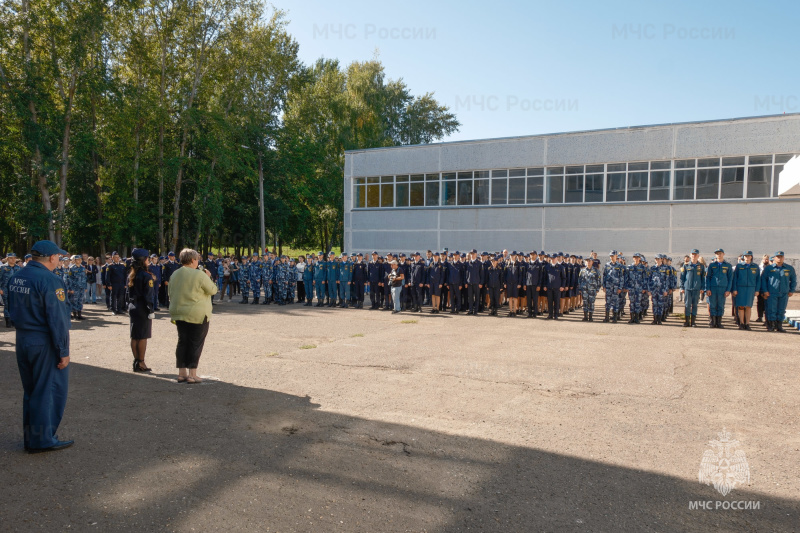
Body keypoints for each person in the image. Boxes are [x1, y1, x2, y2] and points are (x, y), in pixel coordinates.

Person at [7, 240, 73, 453]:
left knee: (32, 390)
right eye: (59, 257)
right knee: (48, 390)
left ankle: (32, 438)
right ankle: (42, 440)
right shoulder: (50, 280)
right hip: (43, 341)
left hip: (23, 339)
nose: (59, 260)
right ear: (52, 257)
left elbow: (9, 308)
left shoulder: (16, 276)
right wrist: (63, 351)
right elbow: (58, 319)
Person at [169, 248, 217, 383]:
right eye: (197, 259)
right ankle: (192, 374)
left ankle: (181, 373)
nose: (198, 261)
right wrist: (208, 277)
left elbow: (170, 291)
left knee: (182, 341)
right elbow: (213, 290)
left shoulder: (175, 274)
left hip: (179, 312)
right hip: (197, 313)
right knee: (195, 343)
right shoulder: (200, 275)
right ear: (192, 260)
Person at [128, 248, 155, 372]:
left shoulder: (132, 274)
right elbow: (148, 296)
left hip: (133, 306)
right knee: (142, 337)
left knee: (135, 336)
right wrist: (151, 310)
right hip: (142, 308)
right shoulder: (145, 275)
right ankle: (141, 362)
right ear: (144, 260)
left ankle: (136, 361)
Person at [760, 251, 796, 332]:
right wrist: (765, 291)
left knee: (781, 310)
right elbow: (763, 280)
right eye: (778, 257)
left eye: (781, 257)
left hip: (784, 293)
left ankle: (779, 326)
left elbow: (793, 280)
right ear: (774, 258)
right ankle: (771, 326)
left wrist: (792, 290)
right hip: (772, 293)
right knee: (771, 310)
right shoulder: (769, 268)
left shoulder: (789, 268)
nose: (779, 258)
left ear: (784, 258)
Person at [704, 249, 734, 328]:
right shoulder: (712, 265)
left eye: (720, 253)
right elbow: (708, 278)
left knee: (721, 305)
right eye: (717, 254)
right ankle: (712, 322)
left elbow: (730, 279)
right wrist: (708, 289)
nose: (719, 255)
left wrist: (728, 290)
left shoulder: (728, 265)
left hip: (723, 288)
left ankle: (719, 322)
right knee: (712, 304)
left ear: (723, 254)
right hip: (713, 288)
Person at [732, 251, 760, 330]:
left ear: (751, 257)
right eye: (746, 256)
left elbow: (758, 279)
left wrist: (757, 290)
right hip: (740, 288)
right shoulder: (739, 266)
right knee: (740, 306)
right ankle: (741, 323)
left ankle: (747, 323)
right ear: (743, 257)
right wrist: (734, 289)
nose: (747, 257)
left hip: (751, 288)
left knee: (748, 306)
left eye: (749, 256)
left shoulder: (755, 266)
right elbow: (735, 278)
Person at [680, 249, 706, 327]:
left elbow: (703, 278)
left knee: (695, 305)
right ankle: (686, 321)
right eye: (692, 254)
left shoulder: (701, 266)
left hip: (696, 288)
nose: (694, 256)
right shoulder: (686, 265)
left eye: (695, 254)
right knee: (687, 304)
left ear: (698, 256)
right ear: (690, 255)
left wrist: (702, 288)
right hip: (687, 288)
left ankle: (693, 322)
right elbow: (682, 278)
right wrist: (682, 287)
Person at [1, 252, 23, 327]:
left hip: (16, 289)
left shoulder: (18, 268)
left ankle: (14, 319)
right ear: (7, 259)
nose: (13, 259)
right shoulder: (3, 268)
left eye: (14, 258)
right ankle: (8, 320)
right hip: (5, 289)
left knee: (15, 304)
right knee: (7, 304)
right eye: (11, 258)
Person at [66, 255, 87, 320]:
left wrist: (85, 287)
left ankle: (79, 314)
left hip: (81, 287)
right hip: (74, 288)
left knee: (80, 301)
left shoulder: (83, 268)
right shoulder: (72, 268)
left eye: (80, 259)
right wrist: (70, 288)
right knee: (74, 301)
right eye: (78, 259)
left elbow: (85, 278)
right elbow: (69, 279)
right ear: (75, 260)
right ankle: (74, 315)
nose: (79, 261)